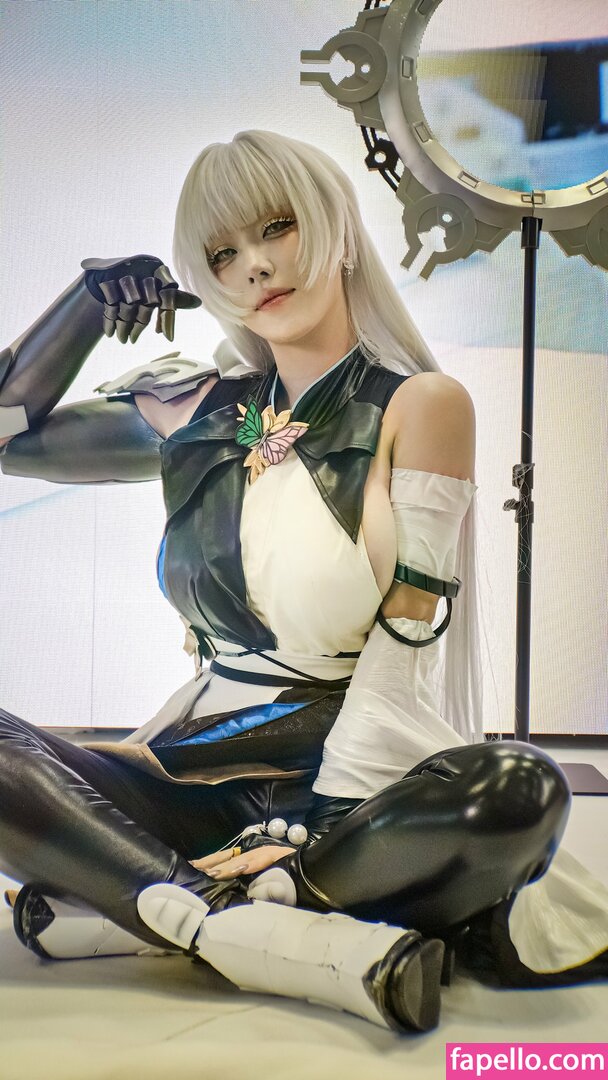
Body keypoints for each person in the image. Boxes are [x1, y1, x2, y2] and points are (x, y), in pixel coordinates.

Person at [0, 131, 604, 1035]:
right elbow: (6, 432)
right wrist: (86, 305)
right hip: (191, 769)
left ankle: (152, 900)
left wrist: (323, 824)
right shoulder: (197, 409)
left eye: (276, 228)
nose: (254, 266)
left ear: (339, 231)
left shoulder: (422, 405)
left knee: (517, 790)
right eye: (222, 254)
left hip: (351, 786)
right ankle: (227, 921)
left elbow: (403, 651)